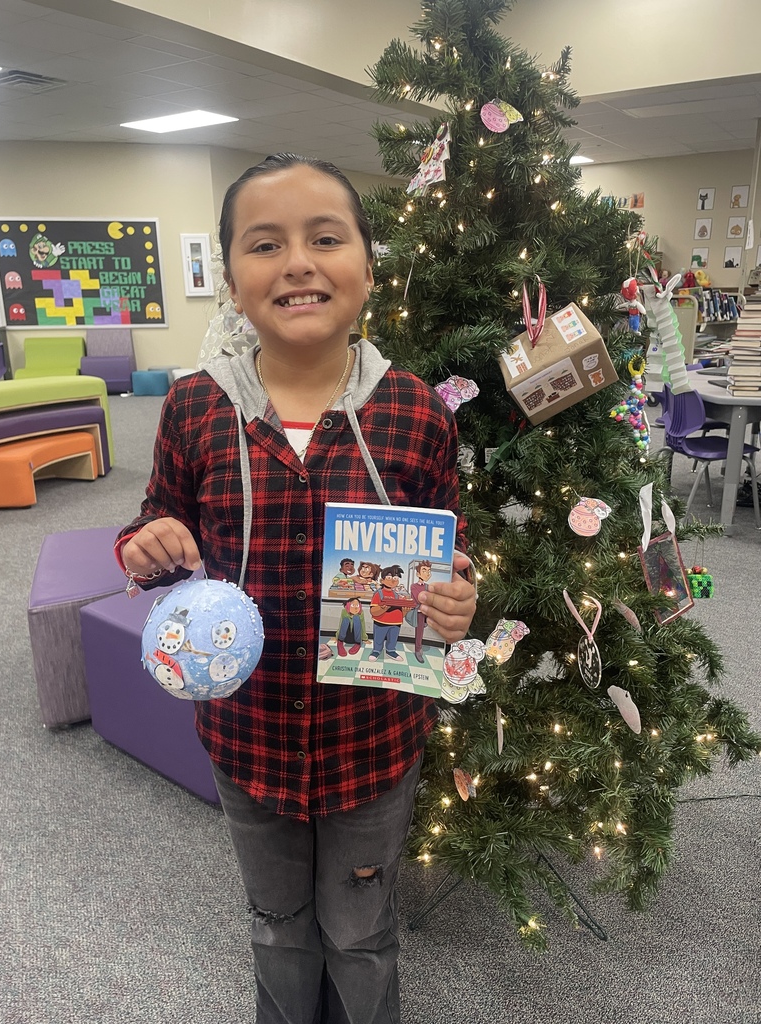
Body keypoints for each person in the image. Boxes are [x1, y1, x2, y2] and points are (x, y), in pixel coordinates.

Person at [116, 152, 476, 1024]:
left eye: (325, 238)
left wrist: (461, 600)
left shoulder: (417, 411)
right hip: (250, 738)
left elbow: (453, 560)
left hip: (373, 739)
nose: (298, 263)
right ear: (232, 279)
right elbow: (153, 525)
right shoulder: (197, 407)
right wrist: (144, 547)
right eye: (265, 244)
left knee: (359, 932)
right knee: (276, 925)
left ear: (367, 265)